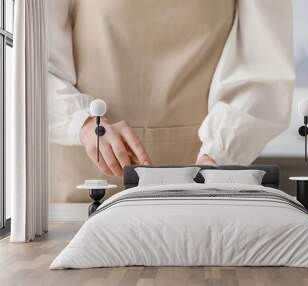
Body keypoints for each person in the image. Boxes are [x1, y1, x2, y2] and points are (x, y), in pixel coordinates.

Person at [48, 0, 295, 202]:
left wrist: (218, 155)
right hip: (87, 174)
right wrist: (84, 123)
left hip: (201, 175)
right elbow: (36, 63)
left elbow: (264, 65)